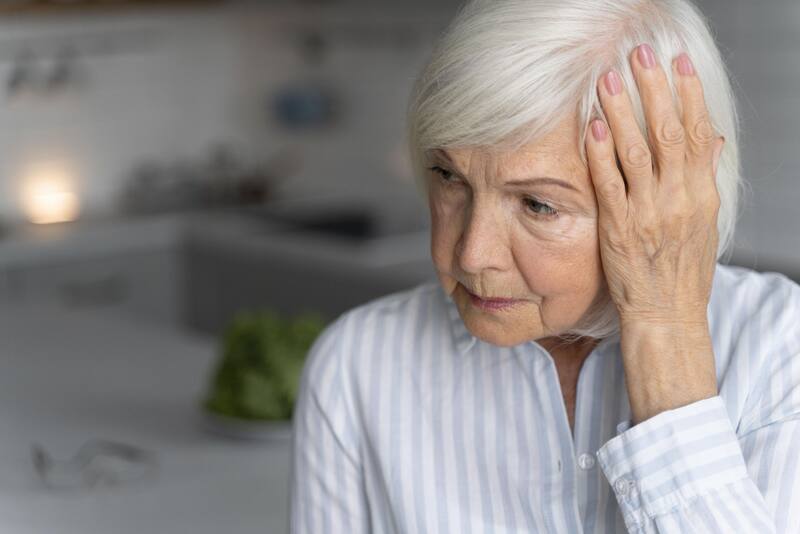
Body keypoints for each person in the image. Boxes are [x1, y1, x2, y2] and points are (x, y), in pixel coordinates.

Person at [289, 0, 800, 532]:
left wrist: (665, 330)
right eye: (449, 176)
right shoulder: (356, 366)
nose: (471, 254)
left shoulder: (782, 352)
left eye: (538, 204)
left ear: (675, 200)